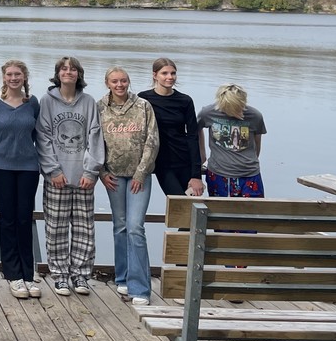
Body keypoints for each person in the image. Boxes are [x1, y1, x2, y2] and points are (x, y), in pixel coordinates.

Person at [36, 56, 104, 297]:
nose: (68, 72)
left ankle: (81, 275)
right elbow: (43, 137)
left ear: (79, 74)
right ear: (58, 73)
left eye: (72, 69)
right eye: (64, 69)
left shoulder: (88, 102)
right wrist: (53, 170)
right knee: (56, 228)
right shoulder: (47, 101)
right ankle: (61, 276)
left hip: (84, 177)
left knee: (85, 227)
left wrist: (91, 170)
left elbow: (95, 136)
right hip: (57, 177)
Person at [97, 67, 159, 307]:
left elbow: (152, 141)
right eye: (115, 81)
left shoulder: (143, 106)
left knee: (135, 227)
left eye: (123, 80)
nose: (120, 85)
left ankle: (140, 288)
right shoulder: (100, 107)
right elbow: (93, 141)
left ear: (129, 82)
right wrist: (101, 172)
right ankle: (122, 276)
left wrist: (141, 173)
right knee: (120, 226)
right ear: (107, 83)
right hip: (112, 176)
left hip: (138, 178)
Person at [0, 59, 41, 299]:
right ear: (4, 77)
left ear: (25, 77)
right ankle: (13, 275)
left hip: (28, 167)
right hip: (0, 167)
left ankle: (29, 275)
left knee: (24, 219)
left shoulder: (33, 103)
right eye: (9, 74)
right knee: (7, 220)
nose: (14, 78)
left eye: (18, 74)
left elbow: (37, 133)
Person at [138, 58, 203, 197]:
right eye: (165, 73)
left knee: (193, 205)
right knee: (178, 201)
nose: (170, 77)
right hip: (162, 162)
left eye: (173, 73)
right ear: (155, 75)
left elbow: (192, 136)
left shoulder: (185, 100)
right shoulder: (143, 99)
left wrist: (196, 175)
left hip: (184, 159)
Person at [198, 83, 267, 199]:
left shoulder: (255, 116)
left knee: (253, 213)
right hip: (219, 172)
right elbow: (195, 130)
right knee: (220, 212)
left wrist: (247, 164)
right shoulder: (208, 113)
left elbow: (257, 144)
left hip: (250, 174)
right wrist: (201, 156)